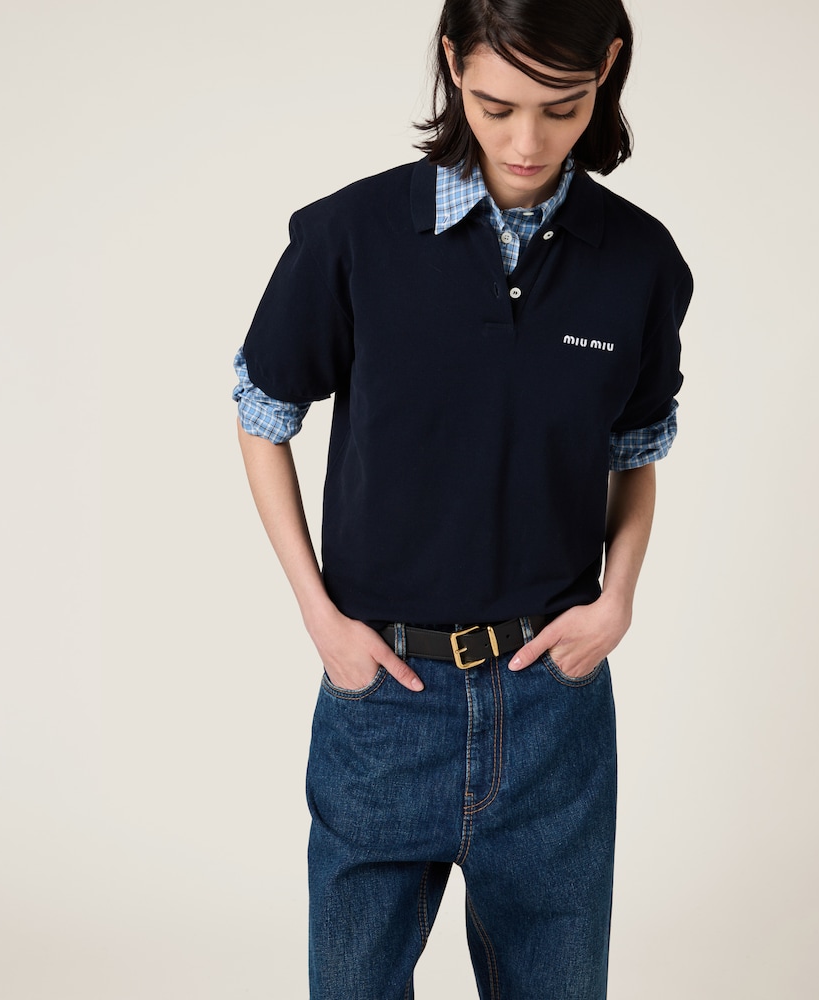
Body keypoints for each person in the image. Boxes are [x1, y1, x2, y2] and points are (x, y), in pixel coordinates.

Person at [233, 0, 692, 996]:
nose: (526, 142)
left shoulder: (640, 262)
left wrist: (617, 599)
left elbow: (635, 452)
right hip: (382, 700)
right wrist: (320, 617)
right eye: (495, 106)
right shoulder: (348, 236)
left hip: (554, 710)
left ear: (608, 68)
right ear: (451, 62)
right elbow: (262, 415)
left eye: (562, 108)